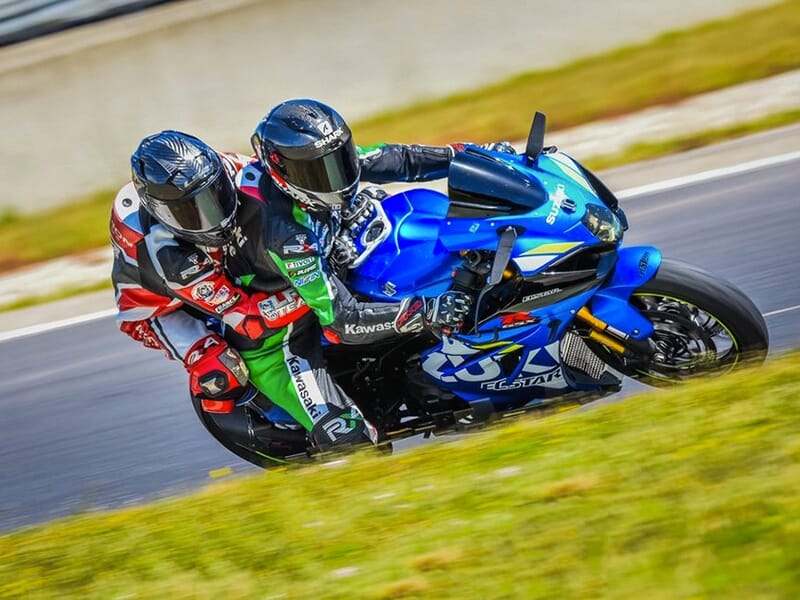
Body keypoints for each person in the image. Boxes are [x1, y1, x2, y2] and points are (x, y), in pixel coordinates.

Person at [111, 111, 487, 451]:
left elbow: (382, 160)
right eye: (191, 211)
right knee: (344, 436)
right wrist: (425, 312)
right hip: (192, 317)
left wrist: (464, 156)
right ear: (163, 213)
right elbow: (252, 318)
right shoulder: (172, 257)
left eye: (215, 195)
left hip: (257, 279)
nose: (213, 214)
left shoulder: (233, 172)